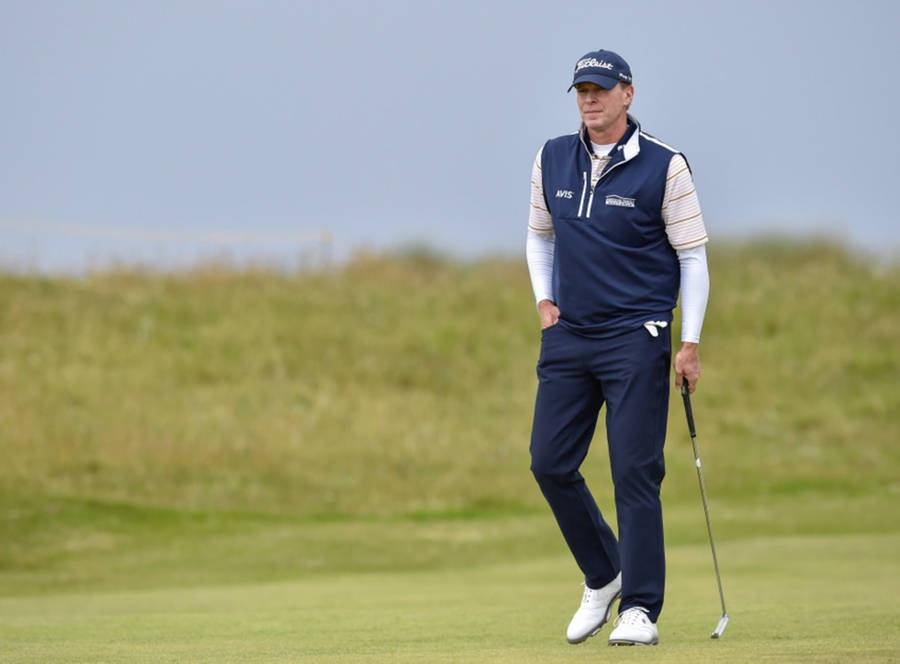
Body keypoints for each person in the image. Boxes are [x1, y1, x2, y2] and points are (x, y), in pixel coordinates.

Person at [526, 48, 710, 646]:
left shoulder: (665, 164)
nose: (589, 99)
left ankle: (641, 609)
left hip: (638, 336)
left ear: (627, 94)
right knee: (549, 462)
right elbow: (540, 235)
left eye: (601, 89)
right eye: (581, 90)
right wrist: (544, 303)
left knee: (634, 472)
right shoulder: (552, 156)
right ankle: (604, 574)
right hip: (571, 335)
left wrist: (689, 341)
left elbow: (692, 257)